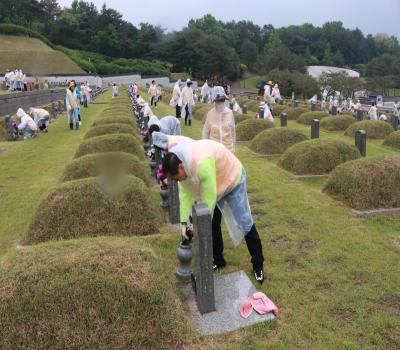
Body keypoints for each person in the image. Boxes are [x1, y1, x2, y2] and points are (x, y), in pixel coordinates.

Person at [162, 139, 265, 283]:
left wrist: (197, 228)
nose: (177, 181)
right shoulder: (182, 168)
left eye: (176, 178)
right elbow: (185, 204)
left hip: (232, 178)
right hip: (215, 181)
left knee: (244, 221)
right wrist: (186, 233)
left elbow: (207, 202)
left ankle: (258, 265)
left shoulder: (201, 163)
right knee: (214, 223)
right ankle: (218, 259)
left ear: (180, 167)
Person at [202, 86, 236, 153]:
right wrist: (206, 149)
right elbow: (205, 133)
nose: (220, 103)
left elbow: (233, 131)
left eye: (222, 100)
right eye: (218, 101)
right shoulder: (210, 114)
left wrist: (234, 148)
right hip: (214, 151)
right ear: (215, 101)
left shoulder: (230, 113)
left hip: (228, 151)